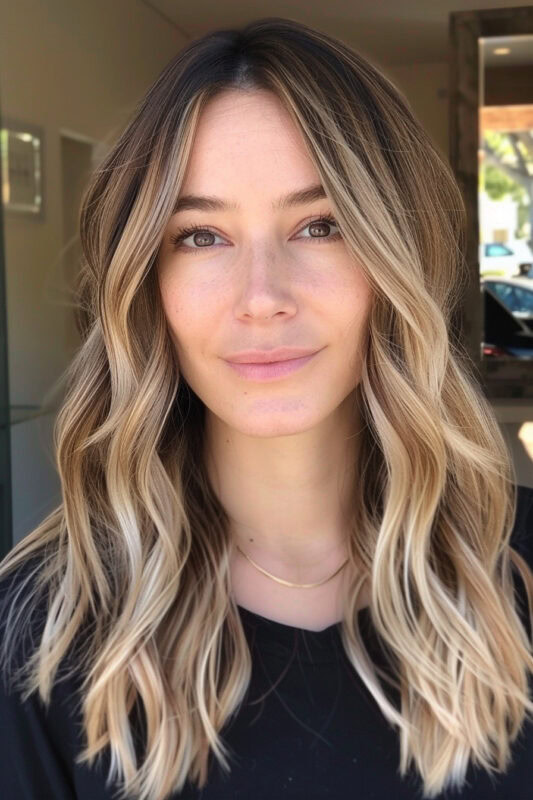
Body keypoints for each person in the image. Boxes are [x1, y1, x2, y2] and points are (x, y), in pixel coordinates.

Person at [0, 16, 532, 800]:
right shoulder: (42, 634)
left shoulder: (517, 576)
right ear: (145, 283)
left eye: (320, 226)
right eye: (200, 236)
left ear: (398, 255)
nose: (261, 297)